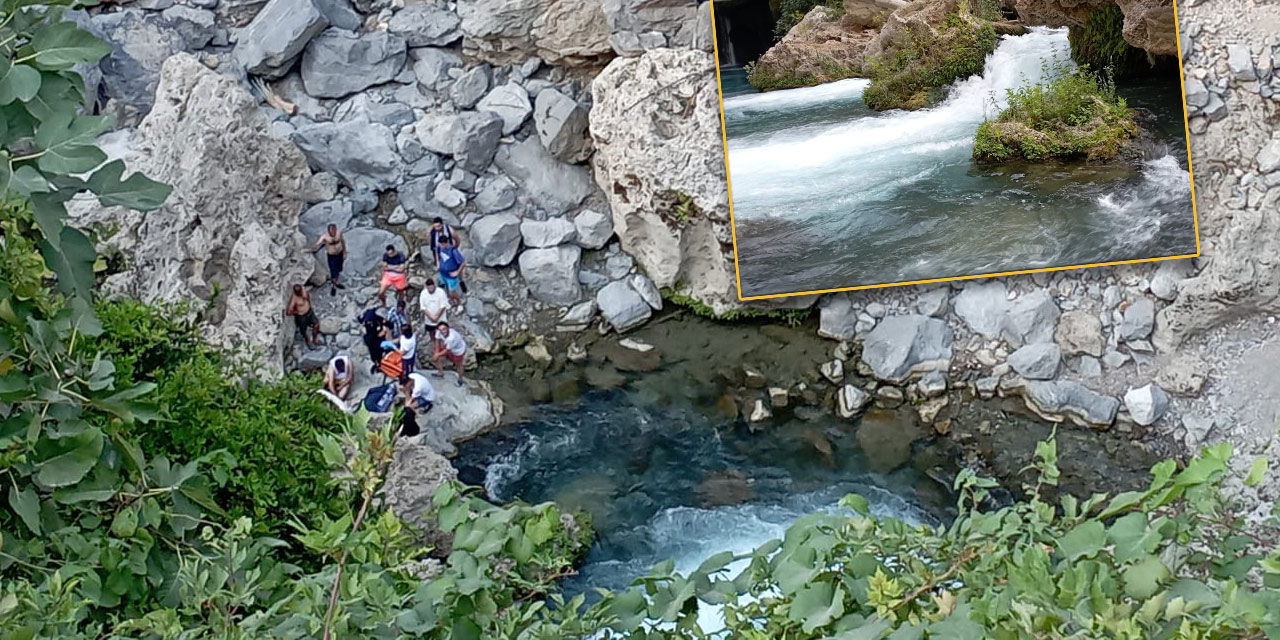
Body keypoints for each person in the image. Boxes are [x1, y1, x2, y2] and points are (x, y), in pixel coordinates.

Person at [308, 223, 347, 296]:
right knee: (333, 270)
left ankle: (336, 280)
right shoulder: (325, 237)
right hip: (332, 256)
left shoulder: (339, 233)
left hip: (339, 253)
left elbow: (342, 241)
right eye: (330, 232)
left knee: (339, 269)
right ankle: (334, 285)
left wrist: (344, 252)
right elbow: (316, 244)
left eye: (333, 231)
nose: (332, 233)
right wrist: (309, 249)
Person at [398, 372, 435, 437]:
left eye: (405, 384)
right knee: (406, 391)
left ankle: (416, 413)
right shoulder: (412, 376)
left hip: (426, 397)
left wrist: (406, 395)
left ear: (409, 381)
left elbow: (408, 403)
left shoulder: (418, 388)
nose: (404, 386)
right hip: (422, 391)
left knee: (410, 406)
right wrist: (406, 389)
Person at [431, 321, 467, 386]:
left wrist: (437, 355)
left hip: (457, 350)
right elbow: (437, 341)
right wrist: (436, 352)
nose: (442, 331)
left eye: (444, 329)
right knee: (437, 356)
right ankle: (440, 372)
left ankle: (460, 379)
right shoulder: (439, 332)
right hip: (448, 346)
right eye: (440, 330)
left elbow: (447, 350)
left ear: (448, 328)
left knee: (458, 365)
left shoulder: (451, 338)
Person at [436, 235, 466, 306]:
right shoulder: (440, 248)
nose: (440, 246)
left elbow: (463, 263)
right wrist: (438, 262)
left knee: (452, 292)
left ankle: (459, 302)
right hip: (442, 273)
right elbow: (437, 253)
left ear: (445, 243)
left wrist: (457, 272)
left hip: (451, 275)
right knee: (445, 287)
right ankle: (451, 300)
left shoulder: (453, 251)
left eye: (442, 244)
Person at [359, 308, 385, 374]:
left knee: (378, 354)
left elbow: (385, 323)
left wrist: (382, 330)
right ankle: (376, 364)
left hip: (377, 340)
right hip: (371, 341)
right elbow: (360, 320)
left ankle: (379, 365)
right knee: (373, 355)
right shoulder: (367, 319)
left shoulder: (377, 319)